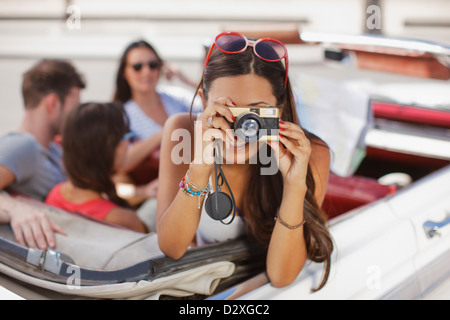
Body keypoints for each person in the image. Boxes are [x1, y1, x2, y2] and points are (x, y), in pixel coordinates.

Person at [156, 32, 333, 289]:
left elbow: (281, 276)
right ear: (205, 102)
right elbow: (172, 247)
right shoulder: (183, 131)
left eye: (256, 113)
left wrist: (294, 185)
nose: (241, 127)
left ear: (279, 110)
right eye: (227, 110)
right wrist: (200, 166)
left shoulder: (309, 153)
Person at [0, 59, 85, 249]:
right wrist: (15, 208)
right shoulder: (23, 145)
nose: (77, 115)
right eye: (75, 106)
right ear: (53, 103)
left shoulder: (53, 149)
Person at [45, 102, 148, 233]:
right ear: (108, 149)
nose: (128, 142)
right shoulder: (124, 220)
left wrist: (143, 191)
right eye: (127, 135)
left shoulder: (55, 194)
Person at [113, 40, 198, 186]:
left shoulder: (176, 97)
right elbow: (121, 164)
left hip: (197, 181)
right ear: (124, 72)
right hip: (159, 191)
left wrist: (185, 79)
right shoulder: (122, 115)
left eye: (153, 65)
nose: (146, 72)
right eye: (137, 67)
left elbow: (214, 105)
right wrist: (166, 132)